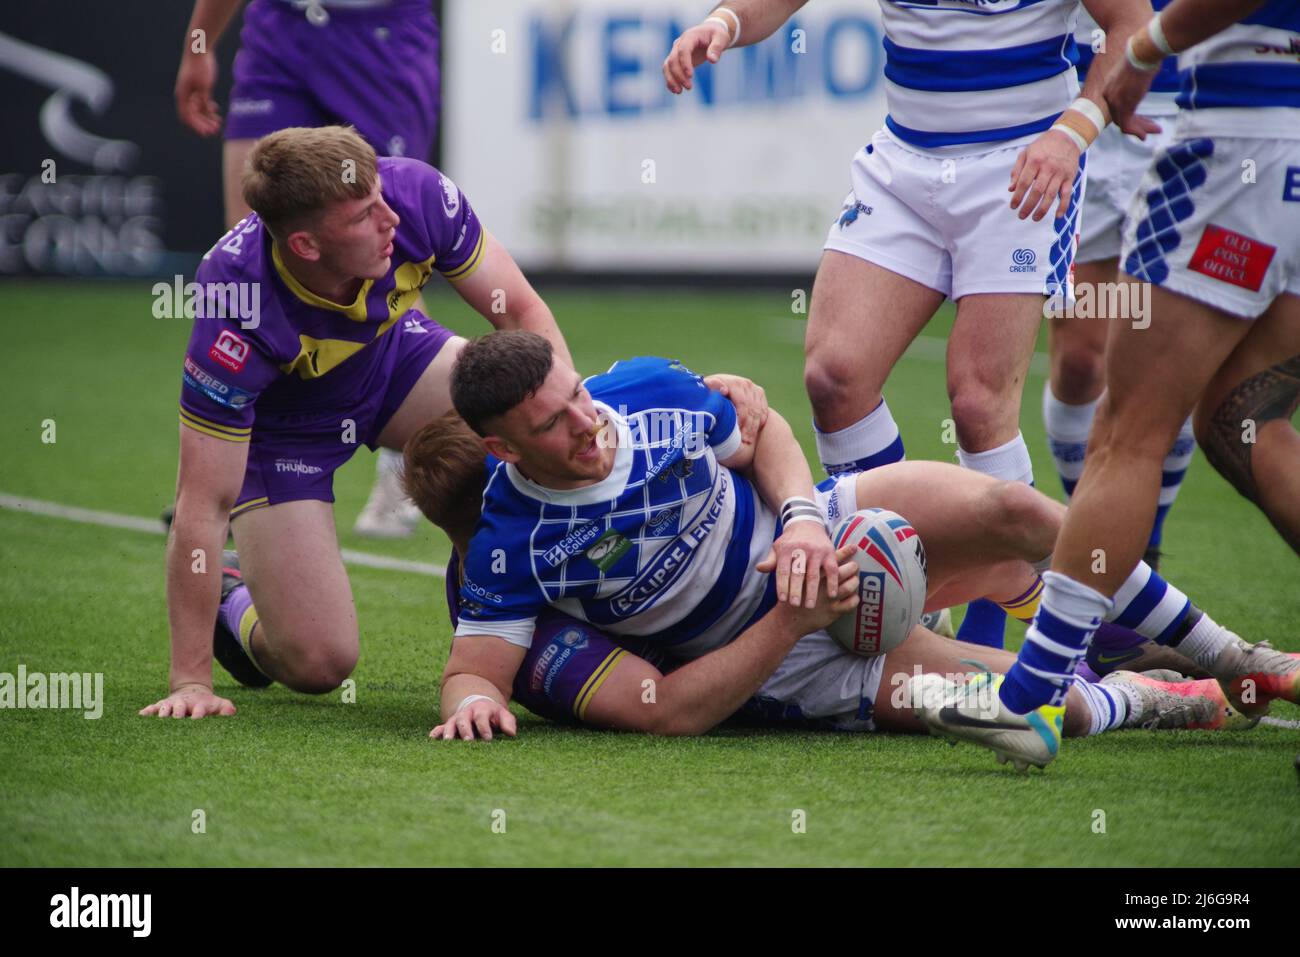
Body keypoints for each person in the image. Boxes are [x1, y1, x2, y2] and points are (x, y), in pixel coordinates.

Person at [424, 332, 1253, 761]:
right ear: (504, 452)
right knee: (1041, 715)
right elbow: (491, 675)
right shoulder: (509, 546)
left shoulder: (640, 389)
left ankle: (1233, 652)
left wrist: (803, 523)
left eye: (576, 397)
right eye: (552, 426)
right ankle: (1146, 694)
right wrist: (470, 701)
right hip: (784, 656)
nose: (586, 427)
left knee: (1019, 511)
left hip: (826, 525)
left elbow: (763, 433)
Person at [665, 0, 1153, 649]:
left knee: (979, 404)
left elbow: (1131, 22)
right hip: (905, 161)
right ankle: (903, 587)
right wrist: (723, 23)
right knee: (835, 376)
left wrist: (1075, 129)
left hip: (1026, 164)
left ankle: (1002, 622)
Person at [919, 0, 1300, 767]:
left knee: (1129, 432)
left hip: (1241, 139)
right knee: (1240, 419)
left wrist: (1149, 43)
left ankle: (1031, 701)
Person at [140, 125, 570, 719]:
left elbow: (521, 312)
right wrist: (190, 682)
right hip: (285, 433)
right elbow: (202, 503)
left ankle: (504, 617)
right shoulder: (232, 301)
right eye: (365, 214)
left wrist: (568, 418)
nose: (390, 218)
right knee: (318, 664)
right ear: (306, 246)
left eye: (381, 198)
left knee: (530, 432)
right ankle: (232, 602)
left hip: (396, 362)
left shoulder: (414, 194)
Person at [175, 0, 441, 538]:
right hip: (280, 26)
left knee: (383, 241)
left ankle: (404, 468)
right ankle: (235, 468)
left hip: (378, 31)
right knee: (250, 243)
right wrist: (198, 44)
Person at [1043, 0, 1194, 574]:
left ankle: (1139, 552)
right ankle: (1092, 529)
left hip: (1185, 108)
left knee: (1168, 355)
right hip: (1080, 109)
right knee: (1081, 361)